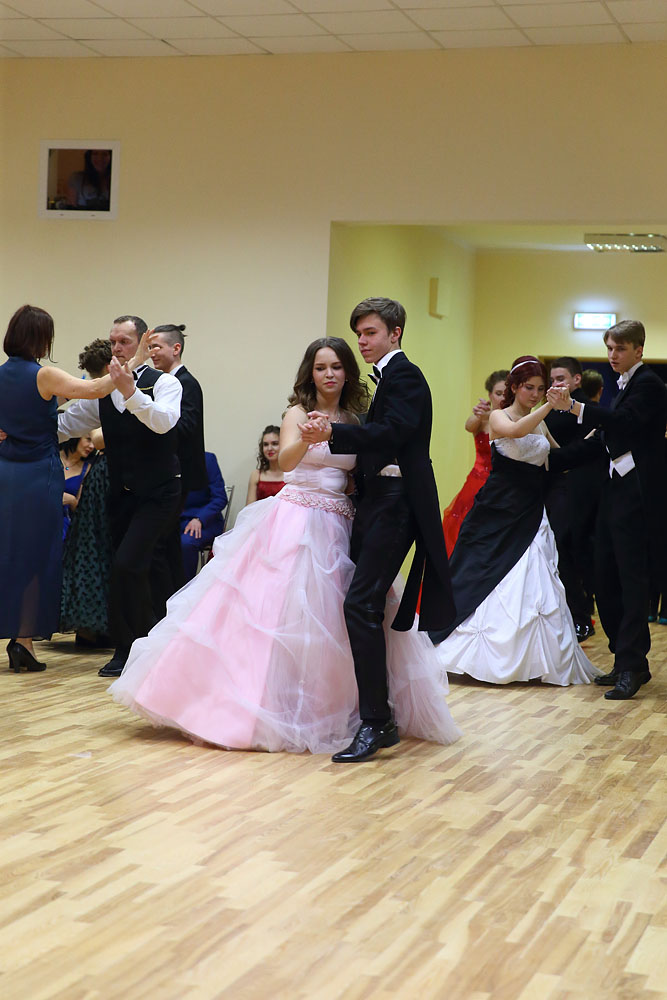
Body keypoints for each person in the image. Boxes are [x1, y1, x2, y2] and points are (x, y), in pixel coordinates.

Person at [109, 337, 460, 755]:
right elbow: (286, 462)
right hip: (294, 519)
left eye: (336, 367)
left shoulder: (355, 419)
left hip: (340, 521)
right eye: (320, 367)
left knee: (336, 617)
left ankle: (335, 708)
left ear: (347, 373)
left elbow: (359, 471)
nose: (328, 374)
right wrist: (308, 437)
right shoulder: (296, 412)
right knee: (273, 613)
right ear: (310, 373)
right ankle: (250, 705)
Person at [300, 298, 455, 762]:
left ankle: (376, 721)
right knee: (365, 605)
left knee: (360, 604)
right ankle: (375, 715)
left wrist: (334, 434)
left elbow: (393, 433)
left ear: (395, 332)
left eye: (370, 333)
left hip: (397, 505)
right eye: (360, 334)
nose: (362, 342)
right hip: (377, 503)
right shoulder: (387, 378)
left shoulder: (405, 375)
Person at [429, 356, 600, 687]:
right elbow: (516, 431)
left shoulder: (540, 421)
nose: (534, 394)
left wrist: (592, 438)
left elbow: (557, 458)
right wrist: (550, 406)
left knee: (535, 573)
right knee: (482, 571)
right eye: (528, 388)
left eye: (539, 388)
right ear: (514, 388)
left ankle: (534, 661)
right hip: (498, 507)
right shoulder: (500, 415)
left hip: (532, 508)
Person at [57, 315, 183, 678]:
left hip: (160, 492)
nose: (116, 348)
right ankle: (134, 647)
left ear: (143, 342)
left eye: (124, 342)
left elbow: (164, 421)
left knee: (129, 564)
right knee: (127, 568)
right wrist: (21, 429)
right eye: (113, 342)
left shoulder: (166, 383)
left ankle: (142, 646)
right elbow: (68, 424)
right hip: (122, 493)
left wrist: (131, 392)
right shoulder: (103, 389)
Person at [547, 320, 667, 700]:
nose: (612, 355)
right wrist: (549, 461)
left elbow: (624, 423)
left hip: (638, 496)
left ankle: (632, 664)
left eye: (620, 349)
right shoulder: (622, 386)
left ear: (639, 350)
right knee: (604, 576)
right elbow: (602, 440)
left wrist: (576, 407)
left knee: (631, 581)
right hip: (614, 493)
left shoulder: (649, 384)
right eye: (609, 348)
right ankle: (624, 658)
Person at [0, 305, 119, 672]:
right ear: (41, 338)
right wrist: (134, 360)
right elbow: (96, 388)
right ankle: (23, 640)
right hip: (39, 474)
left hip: (6, 474)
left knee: (10, 552)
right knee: (38, 557)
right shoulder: (44, 375)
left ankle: (19, 640)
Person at [60, 338, 114, 647]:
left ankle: (102, 626)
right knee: (94, 549)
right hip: (105, 477)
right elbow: (92, 435)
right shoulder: (95, 397)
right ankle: (93, 626)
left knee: (101, 549)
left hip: (112, 476)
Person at [544, 357, 595, 641]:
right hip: (551, 487)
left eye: (560, 379)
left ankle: (580, 615)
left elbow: (583, 450)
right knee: (555, 548)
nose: (555, 384)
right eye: (552, 380)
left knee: (564, 547)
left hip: (574, 488)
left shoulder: (585, 408)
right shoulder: (550, 408)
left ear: (577, 379)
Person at [440, 369, 508, 557]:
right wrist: (478, 413)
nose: (503, 398)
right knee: (463, 529)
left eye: (506, 393)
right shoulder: (483, 417)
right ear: (490, 395)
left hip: (503, 484)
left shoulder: (516, 419)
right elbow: (469, 426)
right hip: (477, 482)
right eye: (498, 393)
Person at [180, 451, 228, 582]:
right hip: (177, 520)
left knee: (186, 543)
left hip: (206, 521)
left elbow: (220, 498)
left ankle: (186, 588)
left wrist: (199, 518)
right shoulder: (169, 459)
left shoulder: (207, 459)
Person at [60, 435, 95, 538]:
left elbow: (82, 509)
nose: (92, 446)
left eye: (94, 442)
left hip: (62, 522)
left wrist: (71, 500)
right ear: (76, 436)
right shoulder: (52, 455)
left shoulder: (87, 469)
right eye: (88, 440)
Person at [246, 426, 284, 503]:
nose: (269, 448)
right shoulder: (256, 475)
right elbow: (249, 507)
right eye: (266, 444)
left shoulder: (293, 474)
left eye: (275, 444)